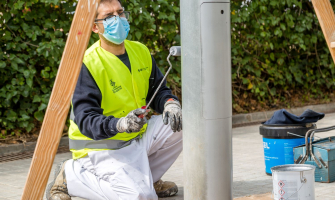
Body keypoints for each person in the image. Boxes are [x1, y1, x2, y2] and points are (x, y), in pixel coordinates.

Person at [46, 0, 182, 199]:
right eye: (109, 17)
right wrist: (120, 124)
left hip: (135, 137)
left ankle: (148, 177)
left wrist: (170, 103)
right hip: (100, 147)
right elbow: (85, 119)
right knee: (141, 196)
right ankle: (71, 175)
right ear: (94, 27)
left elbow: (159, 91)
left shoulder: (140, 51)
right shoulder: (87, 63)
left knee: (186, 122)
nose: (117, 20)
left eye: (120, 13)